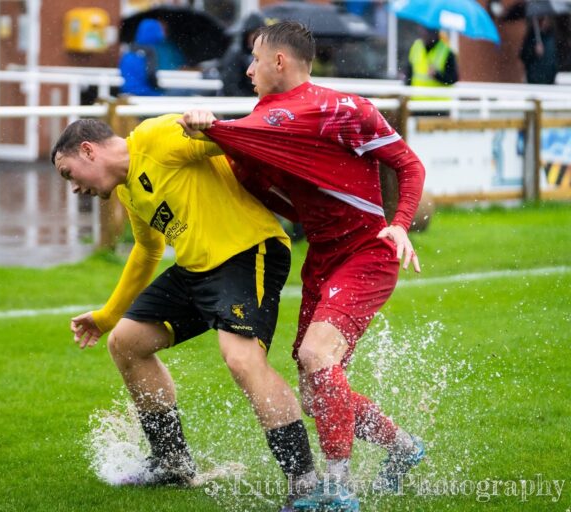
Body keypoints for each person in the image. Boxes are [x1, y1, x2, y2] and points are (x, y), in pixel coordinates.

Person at [180, 21, 427, 511]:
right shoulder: (261, 119)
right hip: (322, 259)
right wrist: (210, 131)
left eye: (253, 58)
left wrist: (399, 223)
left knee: (318, 358)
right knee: (317, 395)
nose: (247, 69)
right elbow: (276, 191)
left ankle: (337, 491)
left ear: (279, 61)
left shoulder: (342, 108)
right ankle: (403, 448)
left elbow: (410, 165)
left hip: (368, 252)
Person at [51, 116, 319, 497]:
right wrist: (108, 316)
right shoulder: (129, 189)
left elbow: (235, 138)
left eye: (69, 174)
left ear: (88, 150)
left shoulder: (155, 138)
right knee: (126, 342)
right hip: (197, 269)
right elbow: (148, 250)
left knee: (242, 360)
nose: (75, 187)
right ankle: (172, 462)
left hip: (248, 252)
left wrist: (209, 123)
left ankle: (306, 483)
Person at [219, 12, 266, 96]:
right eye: (253, 34)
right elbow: (230, 85)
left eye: (259, 34)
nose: (256, 38)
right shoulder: (235, 54)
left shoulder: (266, 54)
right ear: (247, 35)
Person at [404, 26, 458, 96]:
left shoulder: (446, 52)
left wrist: (437, 75)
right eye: (422, 30)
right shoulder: (416, 47)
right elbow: (409, 74)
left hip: (438, 103)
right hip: (417, 102)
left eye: (427, 31)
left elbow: (453, 79)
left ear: (435, 33)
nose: (423, 34)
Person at [119, 18, 165, 96]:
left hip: (127, 92)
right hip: (145, 93)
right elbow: (151, 76)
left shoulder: (129, 50)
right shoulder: (149, 52)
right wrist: (160, 90)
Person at [520, 15, 558, 85]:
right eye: (541, 20)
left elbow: (557, 57)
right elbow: (523, 55)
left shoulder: (552, 36)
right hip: (534, 79)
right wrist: (533, 51)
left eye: (545, 19)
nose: (543, 22)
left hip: (549, 79)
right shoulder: (531, 37)